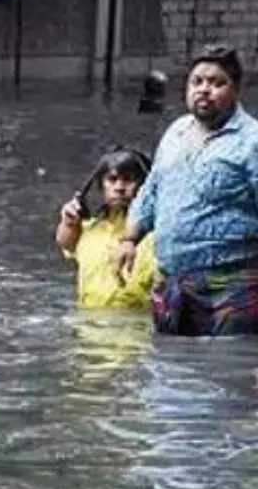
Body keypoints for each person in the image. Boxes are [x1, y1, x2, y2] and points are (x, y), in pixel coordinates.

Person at [115, 43, 258, 336]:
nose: (204, 90)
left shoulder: (251, 141)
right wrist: (129, 239)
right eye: (197, 82)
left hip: (233, 287)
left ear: (236, 89)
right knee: (167, 371)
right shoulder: (176, 133)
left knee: (226, 373)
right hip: (172, 285)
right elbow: (151, 192)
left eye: (217, 83)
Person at [55, 148, 158, 310]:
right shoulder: (88, 229)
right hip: (90, 323)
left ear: (145, 186)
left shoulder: (157, 231)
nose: (119, 187)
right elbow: (65, 243)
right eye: (112, 179)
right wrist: (68, 222)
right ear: (101, 186)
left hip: (140, 323)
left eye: (128, 180)